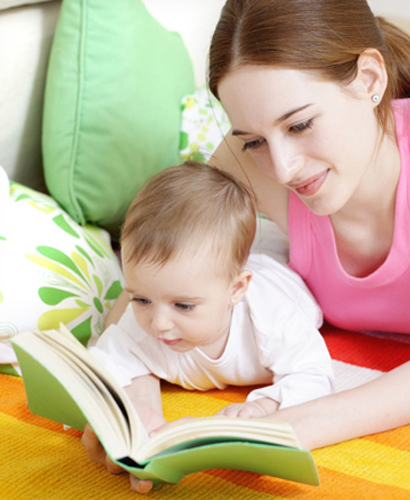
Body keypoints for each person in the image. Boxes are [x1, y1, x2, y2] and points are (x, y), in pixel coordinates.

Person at [205, 0, 410, 451]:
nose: (281, 170)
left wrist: (299, 425)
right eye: (255, 140)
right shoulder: (249, 166)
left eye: (299, 125)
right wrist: (127, 390)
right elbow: (162, 256)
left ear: (370, 80)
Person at [82, 160, 334, 493]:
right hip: (222, 268)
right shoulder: (146, 314)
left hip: (280, 267)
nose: (157, 323)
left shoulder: (273, 319)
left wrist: (265, 405)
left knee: (267, 245)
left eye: (183, 305)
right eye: (140, 299)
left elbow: (315, 375)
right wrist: (123, 414)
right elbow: (105, 362)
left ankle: (263, 236)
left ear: (236, 290)